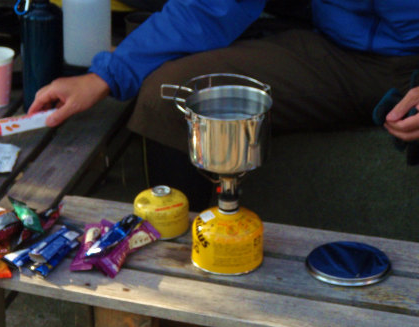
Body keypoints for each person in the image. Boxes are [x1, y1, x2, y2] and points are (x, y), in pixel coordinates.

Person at [28, 0, 419, 210]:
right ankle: (179, 270)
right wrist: (106, 75)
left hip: (409, 63)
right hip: (337, 49)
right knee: (171, 95)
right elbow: (214, 5)